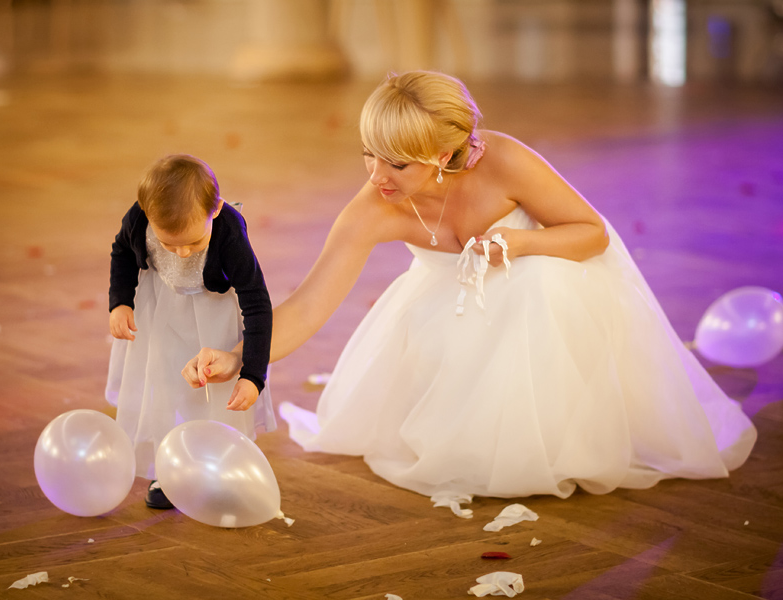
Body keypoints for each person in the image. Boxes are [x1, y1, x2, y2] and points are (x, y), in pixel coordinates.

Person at [182, 71, 756, 503]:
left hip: (559, 290)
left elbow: (593, 236)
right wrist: (242, 359)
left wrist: (521, 244)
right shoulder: (373, 209)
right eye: (369, 157)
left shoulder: (503, 161)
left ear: (441, 154)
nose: (377, 178)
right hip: (454, 312)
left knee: (536, 283)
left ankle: (555, 440)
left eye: (398, 165)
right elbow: (308, 306)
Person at [106, 154, 275, 509]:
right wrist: (120, 301)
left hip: (214, 317)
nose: (182, 254)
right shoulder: (139, 217)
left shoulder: (228, 230)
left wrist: (253, 376)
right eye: (169, 244)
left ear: (214, 211)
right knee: (165, 388)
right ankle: (168, 470)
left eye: (194, 244)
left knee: (216, 392)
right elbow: (121, 251)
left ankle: (223, 464)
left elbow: (257, 302)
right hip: (161, 314)